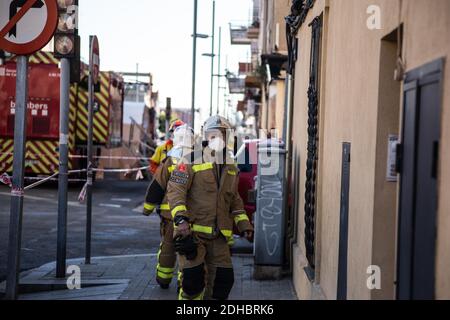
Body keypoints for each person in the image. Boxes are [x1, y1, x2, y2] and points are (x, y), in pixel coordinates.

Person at [166, 115, 253, 300]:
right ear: (207, 136)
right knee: (192, 284)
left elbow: (234, 199)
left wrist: (245, 225)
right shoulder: (190, 159)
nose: (218, 139)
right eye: (214, 135)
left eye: (222, 135)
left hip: (219, 238)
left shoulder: (230, 166)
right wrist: (180, 219)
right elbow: (175, 190)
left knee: (223, 282)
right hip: (192, 234)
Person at [143, 124, 195, 289]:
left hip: (168, 214)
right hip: (189, 215)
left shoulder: (171, 159)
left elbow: (157, 186)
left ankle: (163, 279)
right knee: (186, 250)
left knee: (168, 247)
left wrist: (147, 208)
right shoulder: (198, 159)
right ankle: (183, 282)